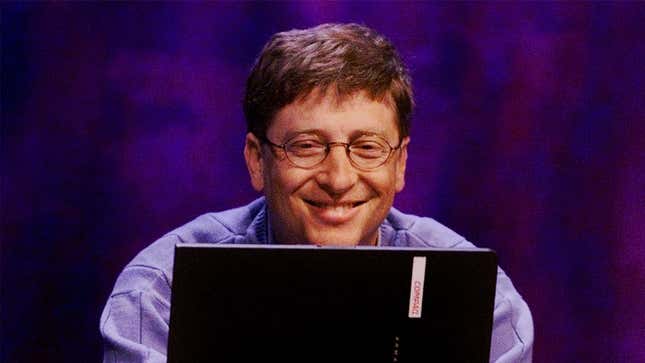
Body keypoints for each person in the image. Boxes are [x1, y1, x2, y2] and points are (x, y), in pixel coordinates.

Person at [100, 23, 534, 362]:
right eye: (307, 146)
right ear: (256, 159)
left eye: (367, 148)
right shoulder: (159, 294)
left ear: (400, 164)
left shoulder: (484, 306)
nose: (339, 178)